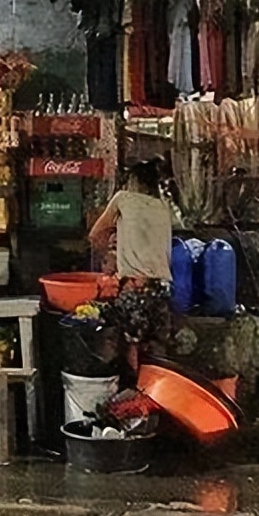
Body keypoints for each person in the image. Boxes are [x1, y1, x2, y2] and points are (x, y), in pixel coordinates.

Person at [88, 159, 175, 377]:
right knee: (157, 345)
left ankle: (137, 388)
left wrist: (108, 255)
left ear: (134, 181)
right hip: (162, 287)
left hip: (135, 286)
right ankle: (156, 389)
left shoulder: (123, 198)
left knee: (131, 342)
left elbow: (95, 233)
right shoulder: (164, 207)